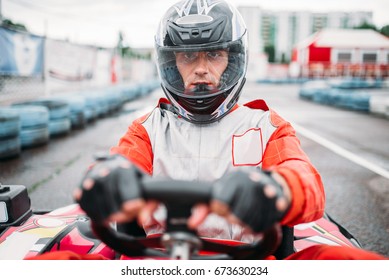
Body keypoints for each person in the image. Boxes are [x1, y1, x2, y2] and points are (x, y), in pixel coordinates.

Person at [33, 0, 386, 260]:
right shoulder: (148, 129)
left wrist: (277, 189)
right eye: (189, 57)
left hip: (248, 262)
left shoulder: (265, 126)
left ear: (234, 59)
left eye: (213, 55)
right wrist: (108, 179)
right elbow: (115, 166)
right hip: (155, 261)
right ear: (170, 64)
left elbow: (306, 182)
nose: (201, 70)